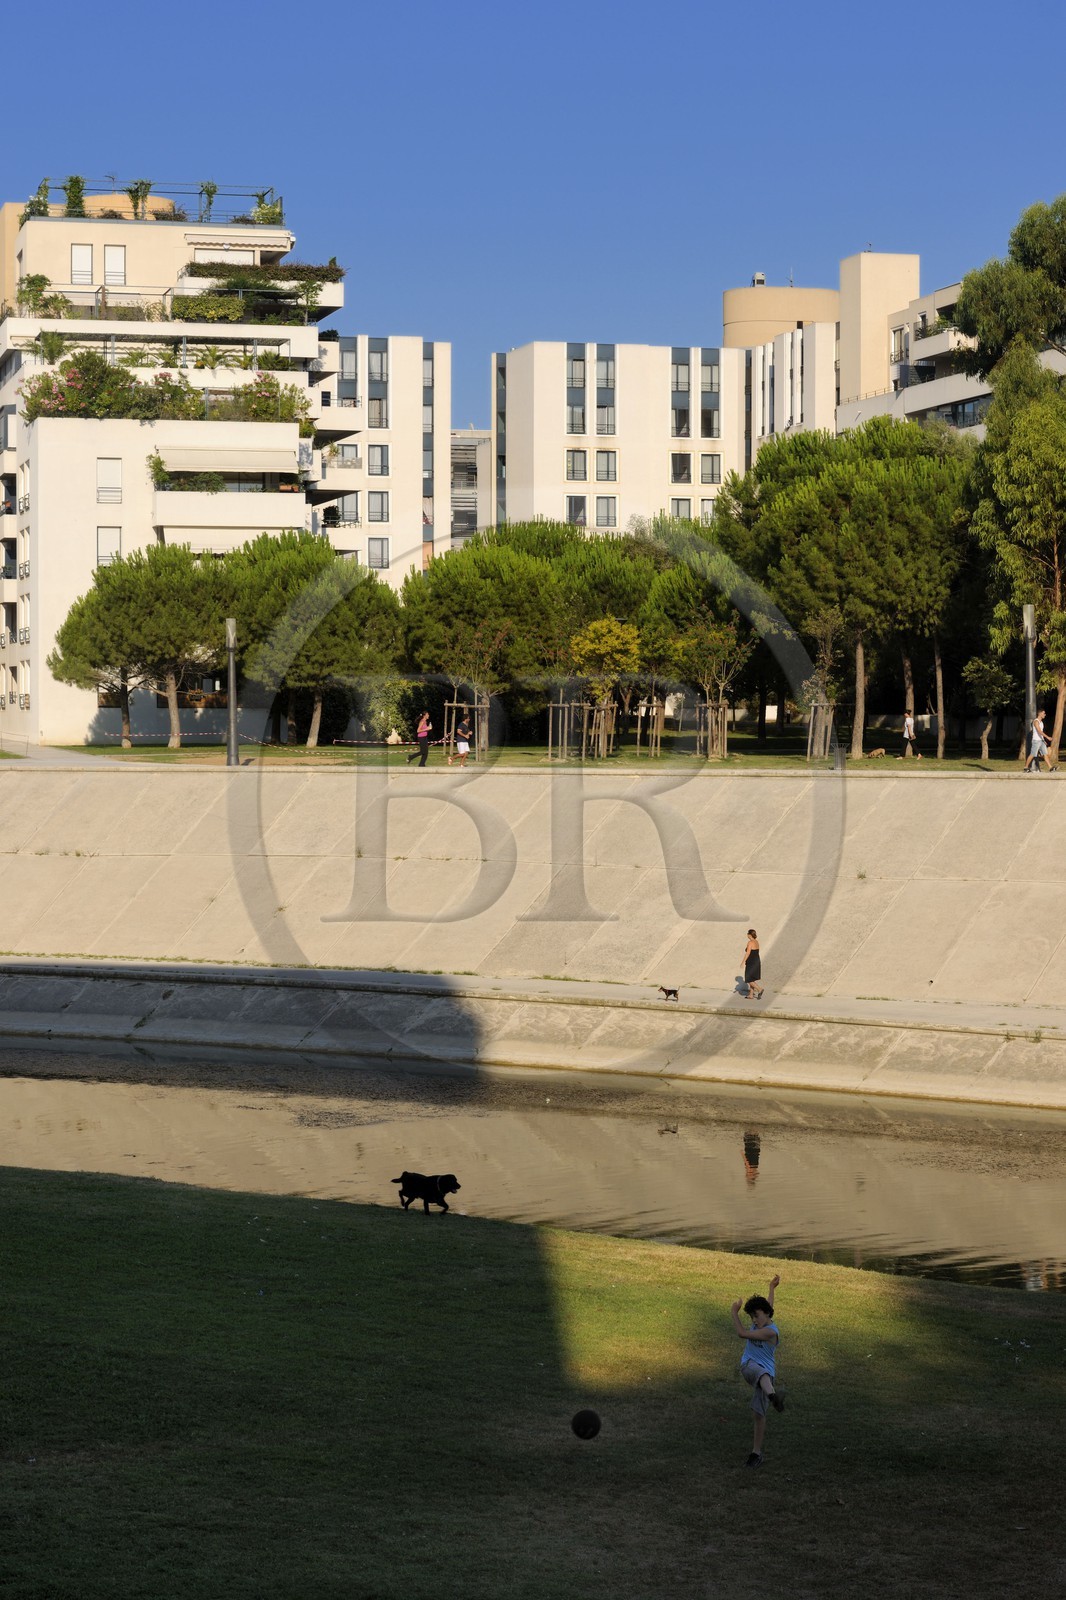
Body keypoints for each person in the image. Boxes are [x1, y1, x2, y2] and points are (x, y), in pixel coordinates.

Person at [730, 1275, 784, 1468]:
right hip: (749, 1367)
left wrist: (734, 1312)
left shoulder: (771, 1332)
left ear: (768, 1314)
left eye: (756, 1316)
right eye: (751, 1317)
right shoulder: (760, 1322)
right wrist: (771, 1287)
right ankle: (773, 1396)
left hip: (767, 1375)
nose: (754, 1320)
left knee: (758, 1414)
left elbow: (742, 1333)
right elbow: (765, 1307)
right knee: (761, 1372)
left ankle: (756, 1453)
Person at [1025, 708, 1056, 774]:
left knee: (1045, 754)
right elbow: (1039, 731)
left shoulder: (1041, 722)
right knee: (1032, 754)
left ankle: (1050, 767)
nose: (1045, 714)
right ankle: (1026, 767)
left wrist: (1043, 740)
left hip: (1041, 741)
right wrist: (1047, 737)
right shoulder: (1036, 721)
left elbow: (1040, 733)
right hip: (1036, 741)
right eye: (1044, 713)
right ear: (1039, 714)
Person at [742, 929, 763, 1000]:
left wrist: (742, 962)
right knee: (751, 978)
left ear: (749, 935)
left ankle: (759, 989)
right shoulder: (756, 942)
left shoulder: (750, 942)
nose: (747, 935)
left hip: (751, 962)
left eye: (747, 933)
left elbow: (748, 953)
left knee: (748, 979)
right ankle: (751, 995)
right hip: (756, 961)